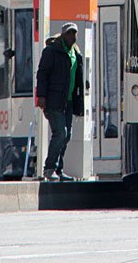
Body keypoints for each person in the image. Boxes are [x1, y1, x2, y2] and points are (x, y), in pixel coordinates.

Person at [35, 22, 84, 182]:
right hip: (54, 100)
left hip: (68, 101)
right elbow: (42, 74)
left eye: (74, 33)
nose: (72, 36)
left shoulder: (75, 53)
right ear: (63, 35)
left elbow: (77, 77)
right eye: (69, 33)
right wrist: (41, 96)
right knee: (60, 133)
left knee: (67, 135)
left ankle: (58, 169)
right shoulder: (51, 51)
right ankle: (49, 168)